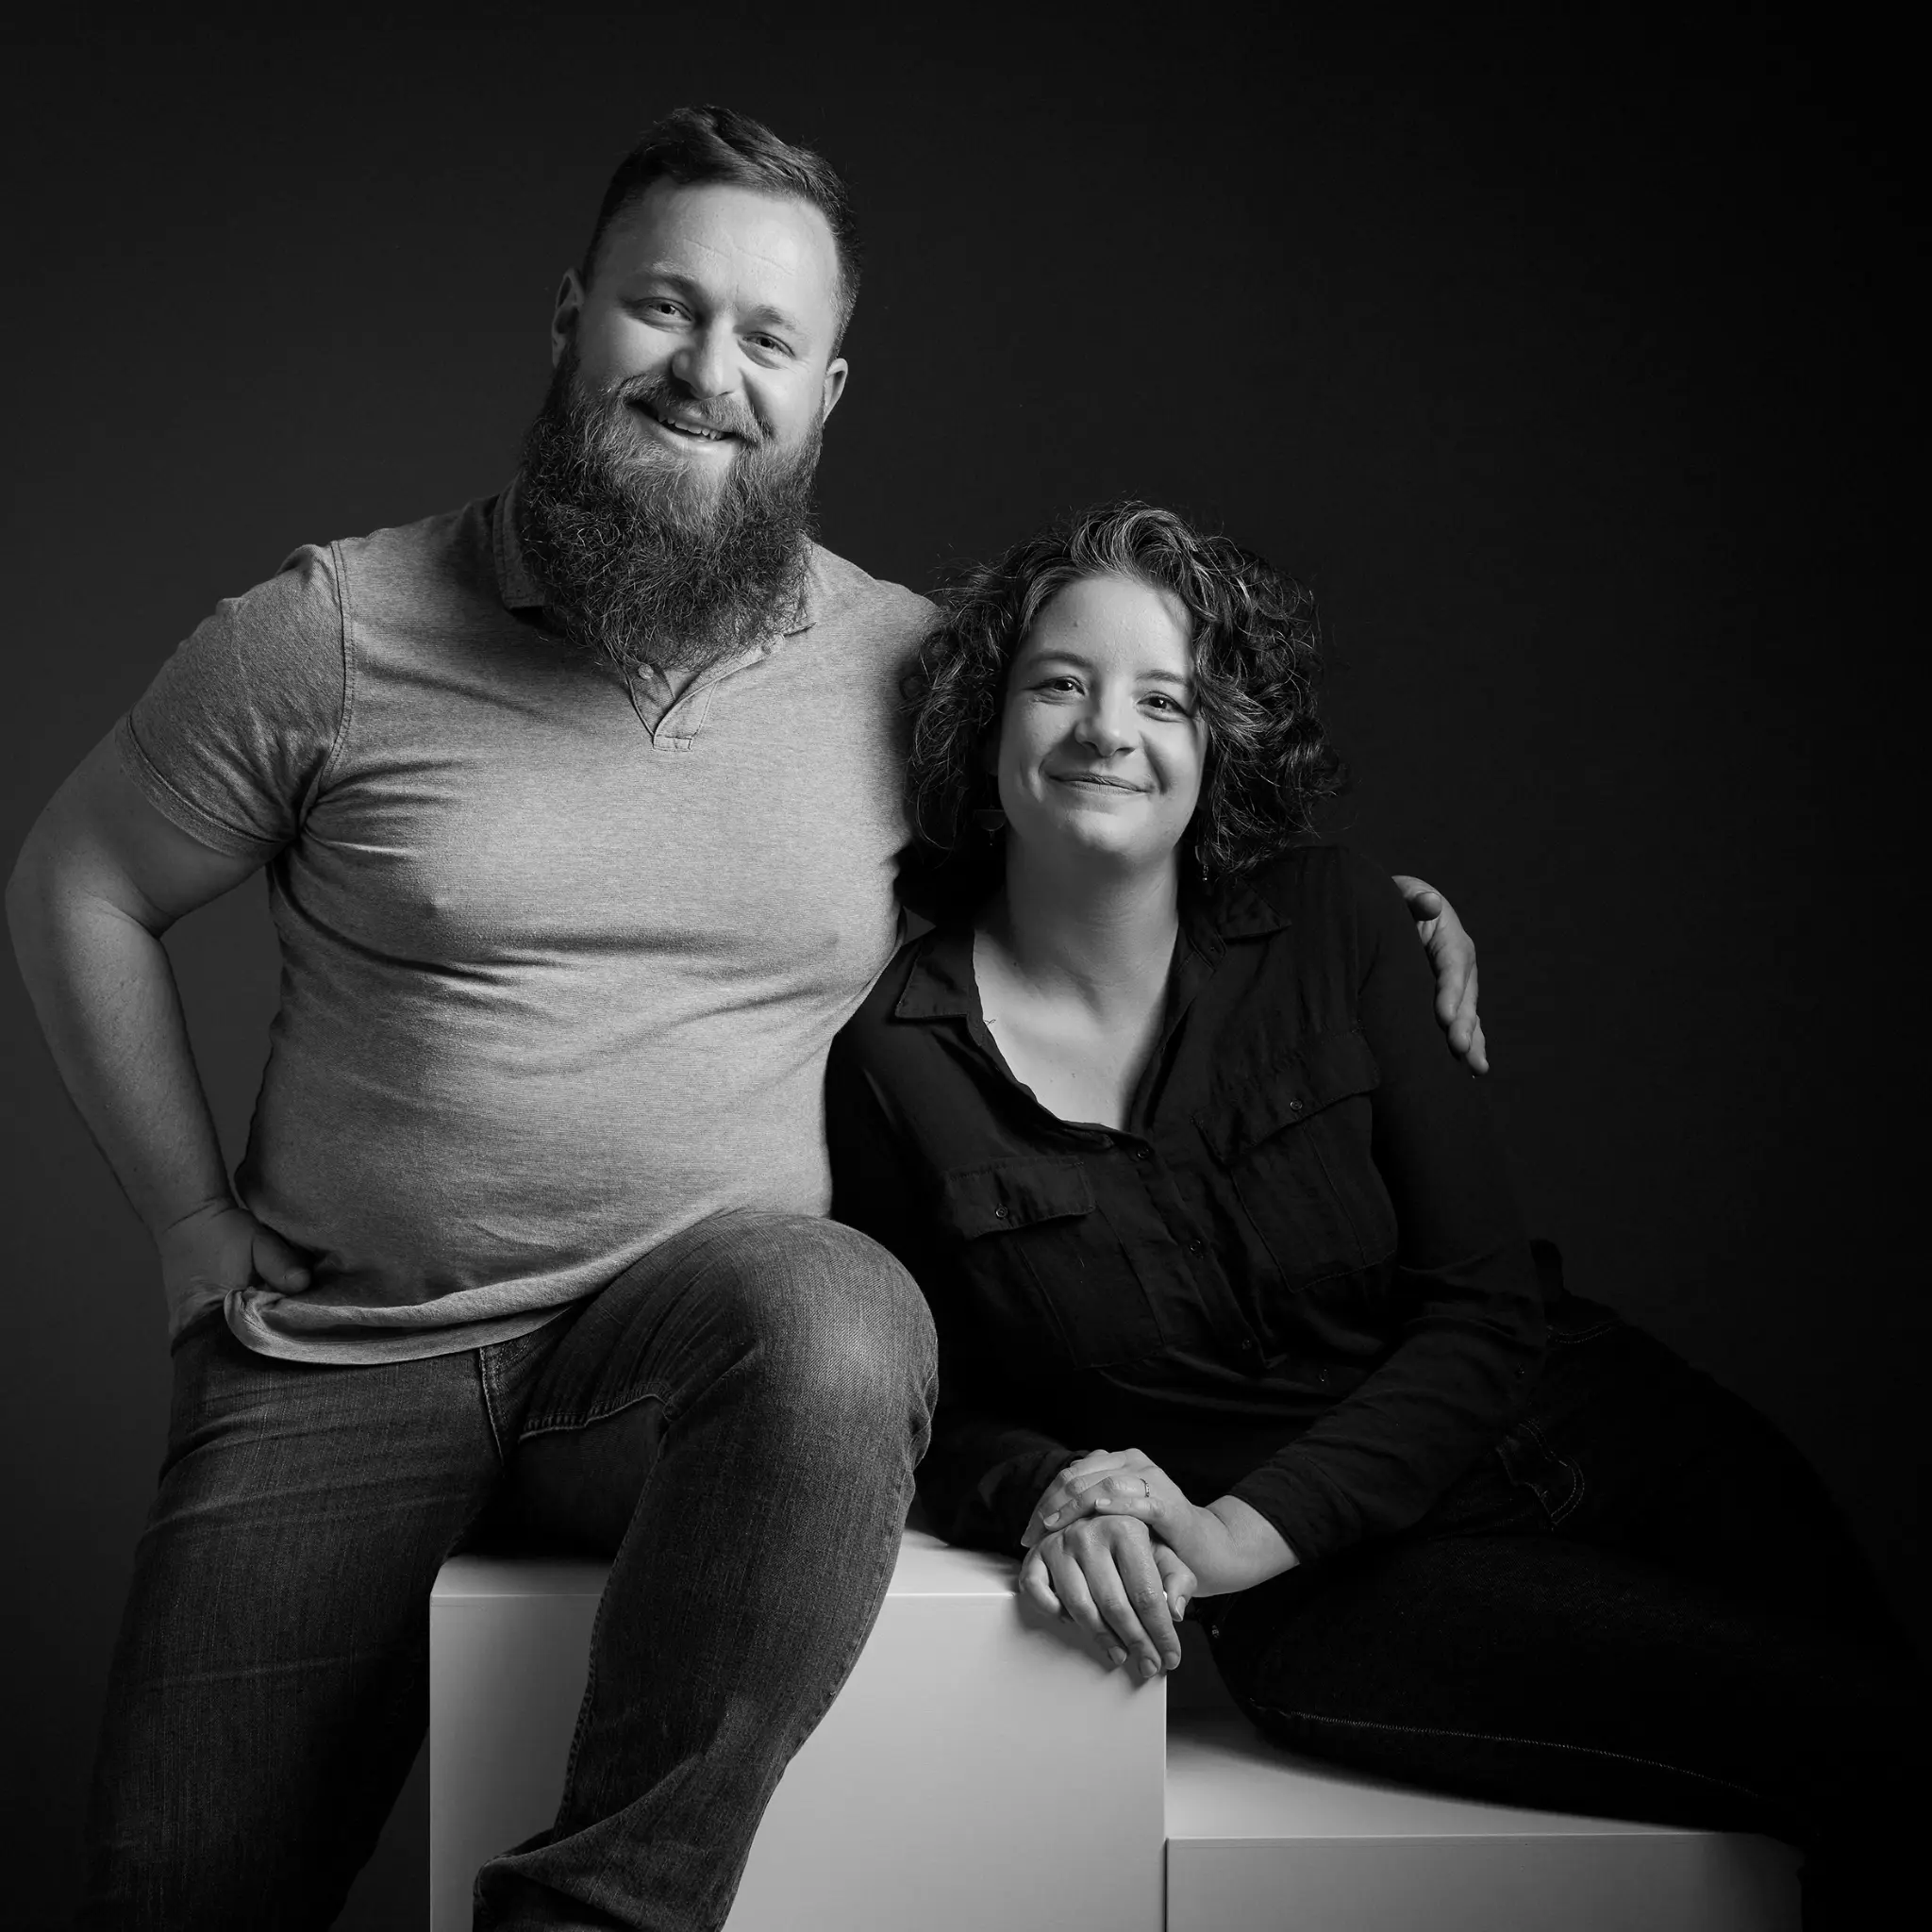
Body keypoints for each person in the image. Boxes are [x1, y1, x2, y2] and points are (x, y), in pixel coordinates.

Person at [7, 111, 1483, 1930]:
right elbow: (78, 880)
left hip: (696, 1365)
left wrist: (1361, 928)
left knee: (844, 1314)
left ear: (827, 388)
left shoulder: (907, 673)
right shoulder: (327, 632)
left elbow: (1117, 825)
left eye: (767, 340)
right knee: (172, 1898)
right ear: (572, 320)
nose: (709, 375)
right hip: (340, 1358)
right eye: (665, 310)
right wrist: (181, 1224)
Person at [825, 500, 1920, 1929]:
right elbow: (938, 1404)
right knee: (1863, 1753)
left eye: (1166, 698)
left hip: (1595, 1426)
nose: (1110, 729)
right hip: (1350, 1591)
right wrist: (1077, 1495)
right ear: (989, 722)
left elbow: (1486, 1310)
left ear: (1218, 747)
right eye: (1060, 684)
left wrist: (1219, 1537)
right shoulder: (898, 1058)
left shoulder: (1341, 922)